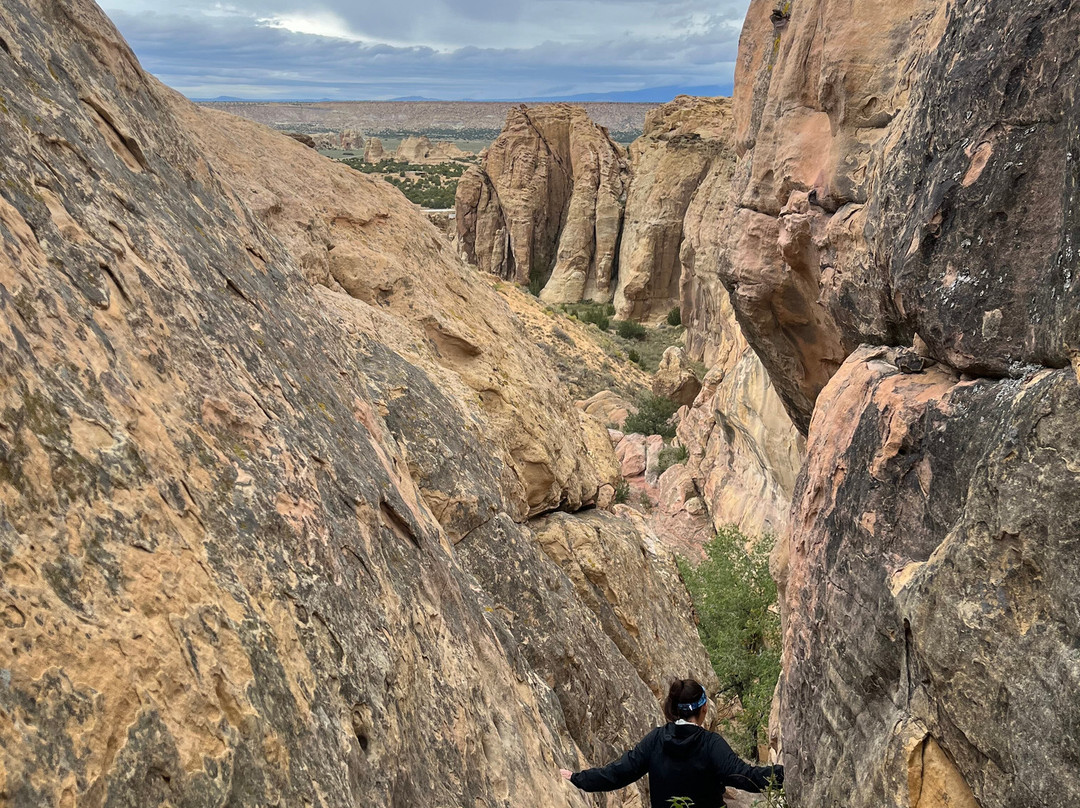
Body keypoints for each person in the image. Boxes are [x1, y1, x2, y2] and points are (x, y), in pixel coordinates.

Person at [559, 679, 783, 808]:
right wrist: (786, 774)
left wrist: (578, 778)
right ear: (704, 709)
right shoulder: (711, 744)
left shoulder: (656, 740)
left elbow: (618, 773)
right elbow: (744, 777)